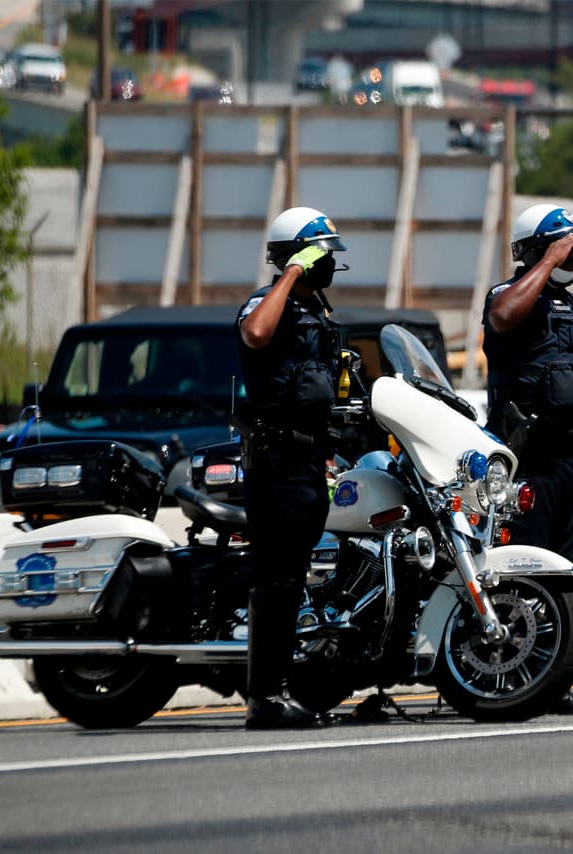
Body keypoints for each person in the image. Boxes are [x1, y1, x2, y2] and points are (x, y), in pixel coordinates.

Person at [482, 202, 573, 715]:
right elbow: (504, 317)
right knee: (526, 569)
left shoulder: (571, 304)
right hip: (525, 456)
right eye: (564, 246)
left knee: (562, 572)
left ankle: (554, 682)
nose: (572, 255)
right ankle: (519, 676)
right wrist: (545, 262)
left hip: (566, 454)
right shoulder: (509, 294)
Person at [236, 206, 346, 729]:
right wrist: (292, 274)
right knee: (277, 579)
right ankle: (265, 698)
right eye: (318, 254)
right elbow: (255, 335)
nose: (327, 264)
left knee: (298, 576)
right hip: (276, 461)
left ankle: (297, 685)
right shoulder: (268, 303)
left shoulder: (318, 315)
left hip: (308, 461)